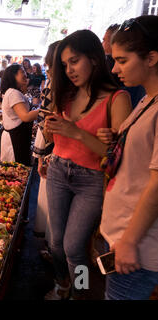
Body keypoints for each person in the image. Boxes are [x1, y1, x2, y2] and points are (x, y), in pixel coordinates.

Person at [43, 29, 132, 300]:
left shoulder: (118, 99)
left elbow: (117, 156)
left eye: (74, 61)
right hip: (58, 169)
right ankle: (63, 283)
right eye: (64, 64)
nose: (69, 70)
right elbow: (54, 137)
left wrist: (77, 132)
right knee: (56, 243)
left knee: (74, 247)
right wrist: (50, 132)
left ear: (94, 58)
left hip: (91, 180)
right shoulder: (67, 94)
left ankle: (80, 293)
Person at [97, 15, 158, 300]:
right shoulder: (147, 99)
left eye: (122, 60)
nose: (114, 68)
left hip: (138, 247)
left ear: (151, 58)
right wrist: (117, 137)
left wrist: (130, 241)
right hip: (122, 234)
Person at [32, 41, 61, 261]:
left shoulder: (54, 84)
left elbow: (44, 121)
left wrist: (41, 155)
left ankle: (76, 287)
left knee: (72, 243)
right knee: (71, 240)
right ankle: (72, 285)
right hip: (63, 158)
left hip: (59, 157)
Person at [0, 64, 39, 165]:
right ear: (13, 76)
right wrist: (44, 111)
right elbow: (25, 116)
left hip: (18, 138)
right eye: (22, 72)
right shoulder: (13, 93)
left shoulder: (13, 92)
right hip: (15, 140)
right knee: (16, 171)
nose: (26, 74)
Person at [103, 24, 146, 107]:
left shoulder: (127, 94)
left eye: (122, 61)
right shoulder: (145, 100)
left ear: (151, 59)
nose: (114, 70)